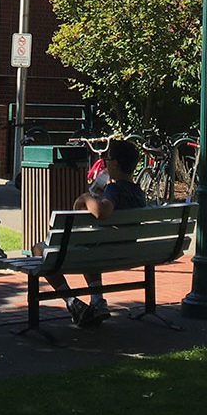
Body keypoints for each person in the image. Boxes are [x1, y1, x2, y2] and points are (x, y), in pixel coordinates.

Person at [47, 138, 146, 327]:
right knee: (91, 247)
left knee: (40, 250)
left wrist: (86, 197)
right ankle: (97, 300)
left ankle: (72, 302)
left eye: (108, 158)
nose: (105, 162)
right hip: (125, 250)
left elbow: (102, 212)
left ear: (115, 164)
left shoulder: (114, 189)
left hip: (103, 252)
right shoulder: (138, 192)